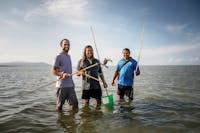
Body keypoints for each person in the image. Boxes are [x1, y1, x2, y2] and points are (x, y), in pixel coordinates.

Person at [51, 38, 78, 111]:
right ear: (61, 45)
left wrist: (72, 82)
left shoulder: (69, 56)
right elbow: (53, 71)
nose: (67, 45)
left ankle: (72, 122)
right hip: (61, 86)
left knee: (75, 106)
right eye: (65, 44)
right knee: (59, 107)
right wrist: (61, 74)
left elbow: (69, 70)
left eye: (68, 44)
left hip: (70, 86)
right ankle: (60, 122)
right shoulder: (58, 56)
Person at [77, 45, 107, 109]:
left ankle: (97, 115)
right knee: (86, 103)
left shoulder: (97, 61)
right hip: (86, 86)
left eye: (91, 50)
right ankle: (87, 117)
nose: (90, 52)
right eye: (88, 51)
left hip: (96, 85)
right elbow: (77, 73)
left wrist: (104, 82)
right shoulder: (81, 61)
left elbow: (100, 73)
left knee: (99, 102)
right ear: (85, 52)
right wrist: (81, 72)